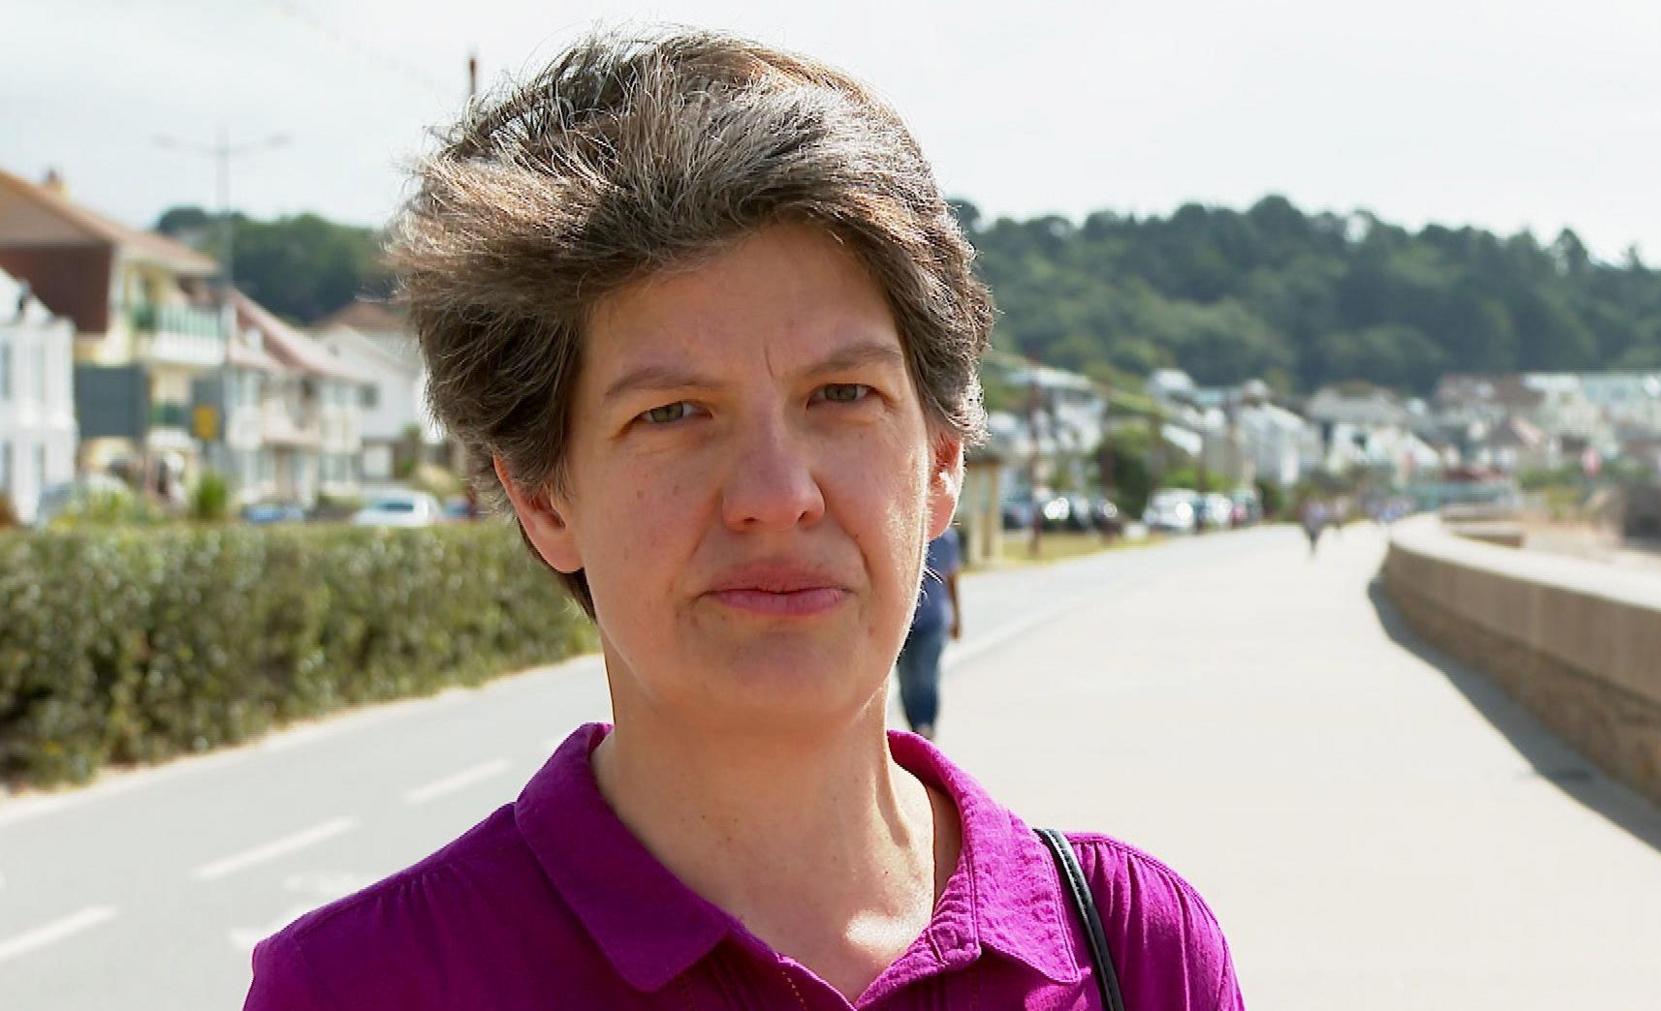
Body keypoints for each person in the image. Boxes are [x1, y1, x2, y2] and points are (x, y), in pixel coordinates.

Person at [245, 28, 1242, 1010]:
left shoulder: (1137, 953)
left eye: (843, 395)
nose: (776, 492)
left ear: (942, 460)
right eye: (671, 414)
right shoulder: (369, 987)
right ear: (543, 498)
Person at [895, 525, 962, 740]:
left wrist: (957, 617)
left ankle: (926, 727)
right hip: (903, 622)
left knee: (926, 676)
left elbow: (952, 579)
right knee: (906, 679)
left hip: (933, 620)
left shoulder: (946, 537)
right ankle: (916, 728)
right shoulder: (902, 530)